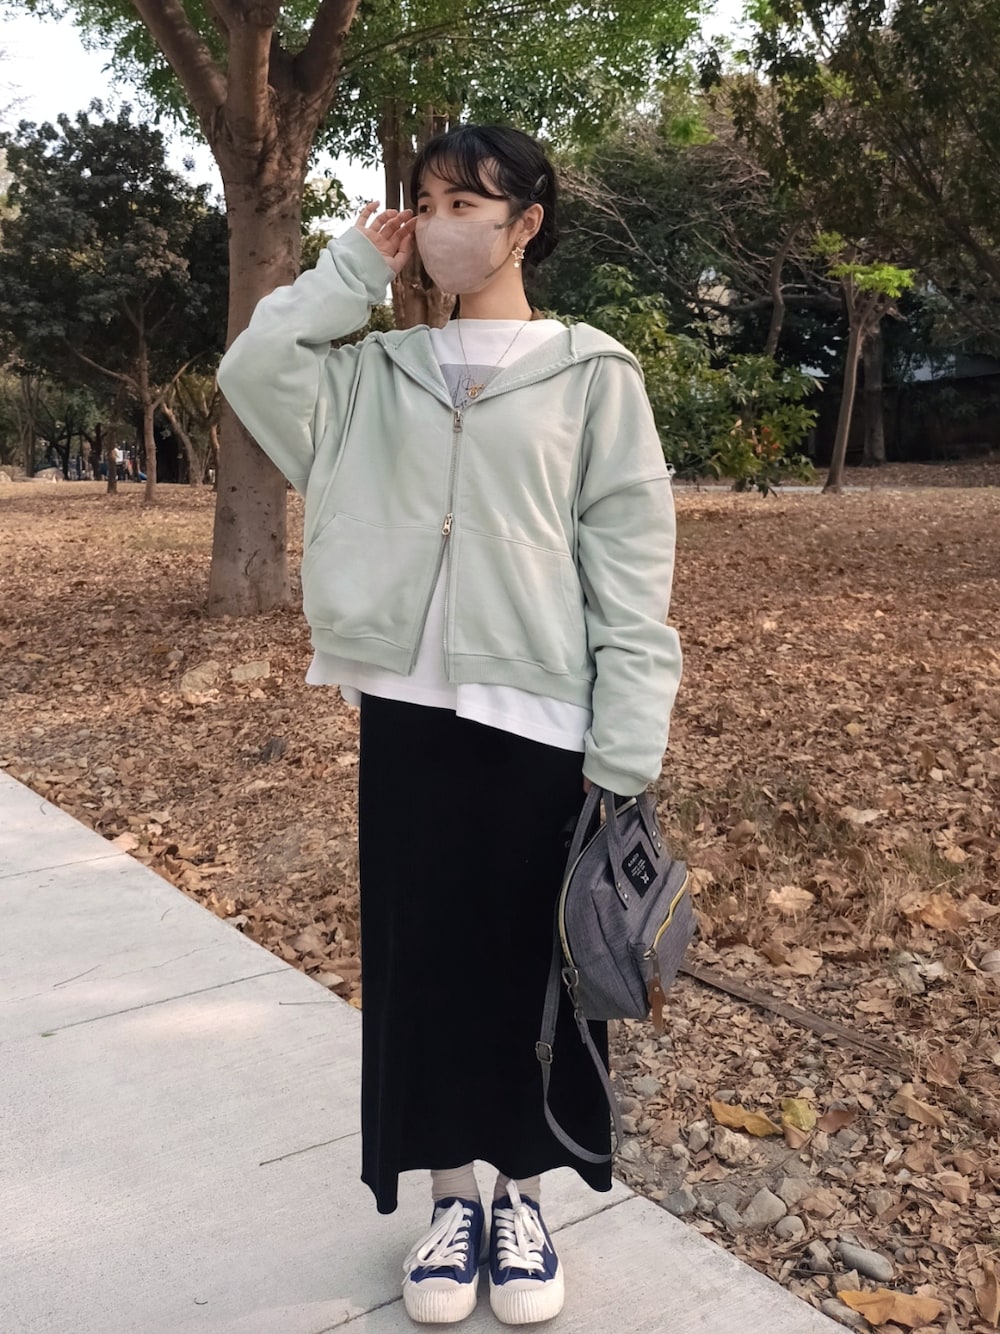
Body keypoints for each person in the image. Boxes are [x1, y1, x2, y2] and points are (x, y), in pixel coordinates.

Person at [217, 124, 682, 1327]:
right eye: (424, 201)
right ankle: (449, 1201)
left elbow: (631, 575)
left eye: (465, 202)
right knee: (420, 966)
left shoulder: (593, 374)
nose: (438, 223)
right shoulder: (373, 373)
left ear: (526, 224)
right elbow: (253, 366)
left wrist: (626, 747)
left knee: (533, 971)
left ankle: (522, 1197)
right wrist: (347, 272)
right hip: (411, 713)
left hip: (545, 720)